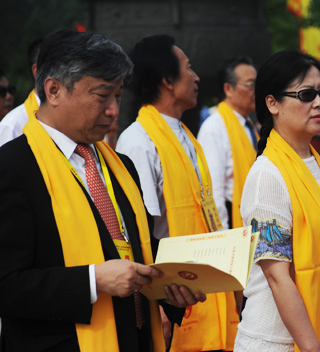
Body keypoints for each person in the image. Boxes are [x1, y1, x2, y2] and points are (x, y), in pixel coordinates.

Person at [0, 29, 205, 352]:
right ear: (53, 90)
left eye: (119, 96)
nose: (113, 111)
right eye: (101, 95)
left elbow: (135, 247)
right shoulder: (13, 167)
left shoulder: (120, 165)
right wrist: (93, 281)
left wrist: (173, 284)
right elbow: (7, 285)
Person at [234, 50, 320, 352]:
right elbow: (276, 276)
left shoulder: (318, 164)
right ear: (272, 103)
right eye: (306, 94)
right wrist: (310, 346)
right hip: (279, 341)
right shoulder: (268, 175)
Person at [116, 34, 239, 352]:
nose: (197, 77)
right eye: (188, 68)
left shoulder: (187, 135)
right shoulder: (139, 141)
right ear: (168, 80)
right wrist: (156, 304)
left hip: (206, 286)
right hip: (173, 298)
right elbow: (141, 231)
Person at [197, 56, 258, 230]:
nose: (256, 90)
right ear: (228, 89)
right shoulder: (214, 127)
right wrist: (222, 235)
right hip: (233, 222)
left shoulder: (249, 125)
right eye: (250, 85)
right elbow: (213, 190)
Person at [0, 39, 41, 145]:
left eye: (10, 90)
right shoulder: (11, 127)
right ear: (36, 72)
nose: (9, 97)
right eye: (2, 92)